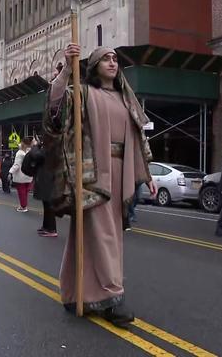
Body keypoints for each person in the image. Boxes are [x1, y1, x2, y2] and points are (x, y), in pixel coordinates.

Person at [45, 44, 158, 328]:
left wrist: (148, 174)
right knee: (104, 234)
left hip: (122, 170)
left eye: (115, 59)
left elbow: (140, 138)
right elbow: (55, 109)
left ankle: (75, 293)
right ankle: (112, 296)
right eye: (105, 59)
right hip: (94, 172)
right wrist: (68, 71)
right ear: (94, 66)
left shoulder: (126, 98)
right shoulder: (83, 93)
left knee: (94, 235)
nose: (112, 62)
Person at [33, 135, 57, 237]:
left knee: (49, 204)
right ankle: (46, 226)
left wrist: (35, 146)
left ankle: (51, 229)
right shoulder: (50, 147)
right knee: (46, 204)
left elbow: (35, 156)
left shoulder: (50, 148)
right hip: (47, 178)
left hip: (48, 179)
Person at [9, 137, 34, 212]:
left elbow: (17, 165)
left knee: (21, 192)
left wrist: (10, 172)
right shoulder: (29, 151)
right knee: (25, 192)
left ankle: (23, 206)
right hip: (29, 176)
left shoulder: (19, 153)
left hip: (20, 176)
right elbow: (22, 146)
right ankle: (24, 205)